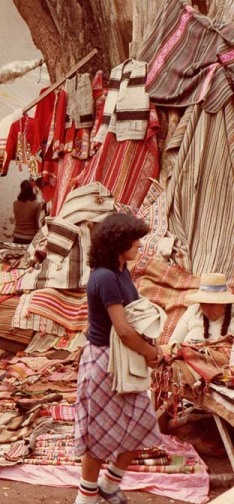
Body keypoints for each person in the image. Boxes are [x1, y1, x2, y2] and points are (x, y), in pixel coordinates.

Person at [74, 213, 163, 504]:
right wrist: (151, 354)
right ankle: (86, 497)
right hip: (104, 363)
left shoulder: (121, 270)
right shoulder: (105, 277)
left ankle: (109, 484)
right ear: (117, 243)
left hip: (123, 358)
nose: (139, 244)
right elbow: (123, 330)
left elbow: (131, 320)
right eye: (133, 239)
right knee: (99, 435)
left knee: (142, 423)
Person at [169, 272, 234, 345]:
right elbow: (173, 342)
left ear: (223, 302)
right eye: (203, 303)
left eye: (211, 304)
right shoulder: (193, 310)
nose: (206, 309)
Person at [12, 179, 43, 244]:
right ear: (33, 190)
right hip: (31, 238)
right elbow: (39, 223)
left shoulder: (15, 203)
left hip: (17, 237)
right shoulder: (37, 204)